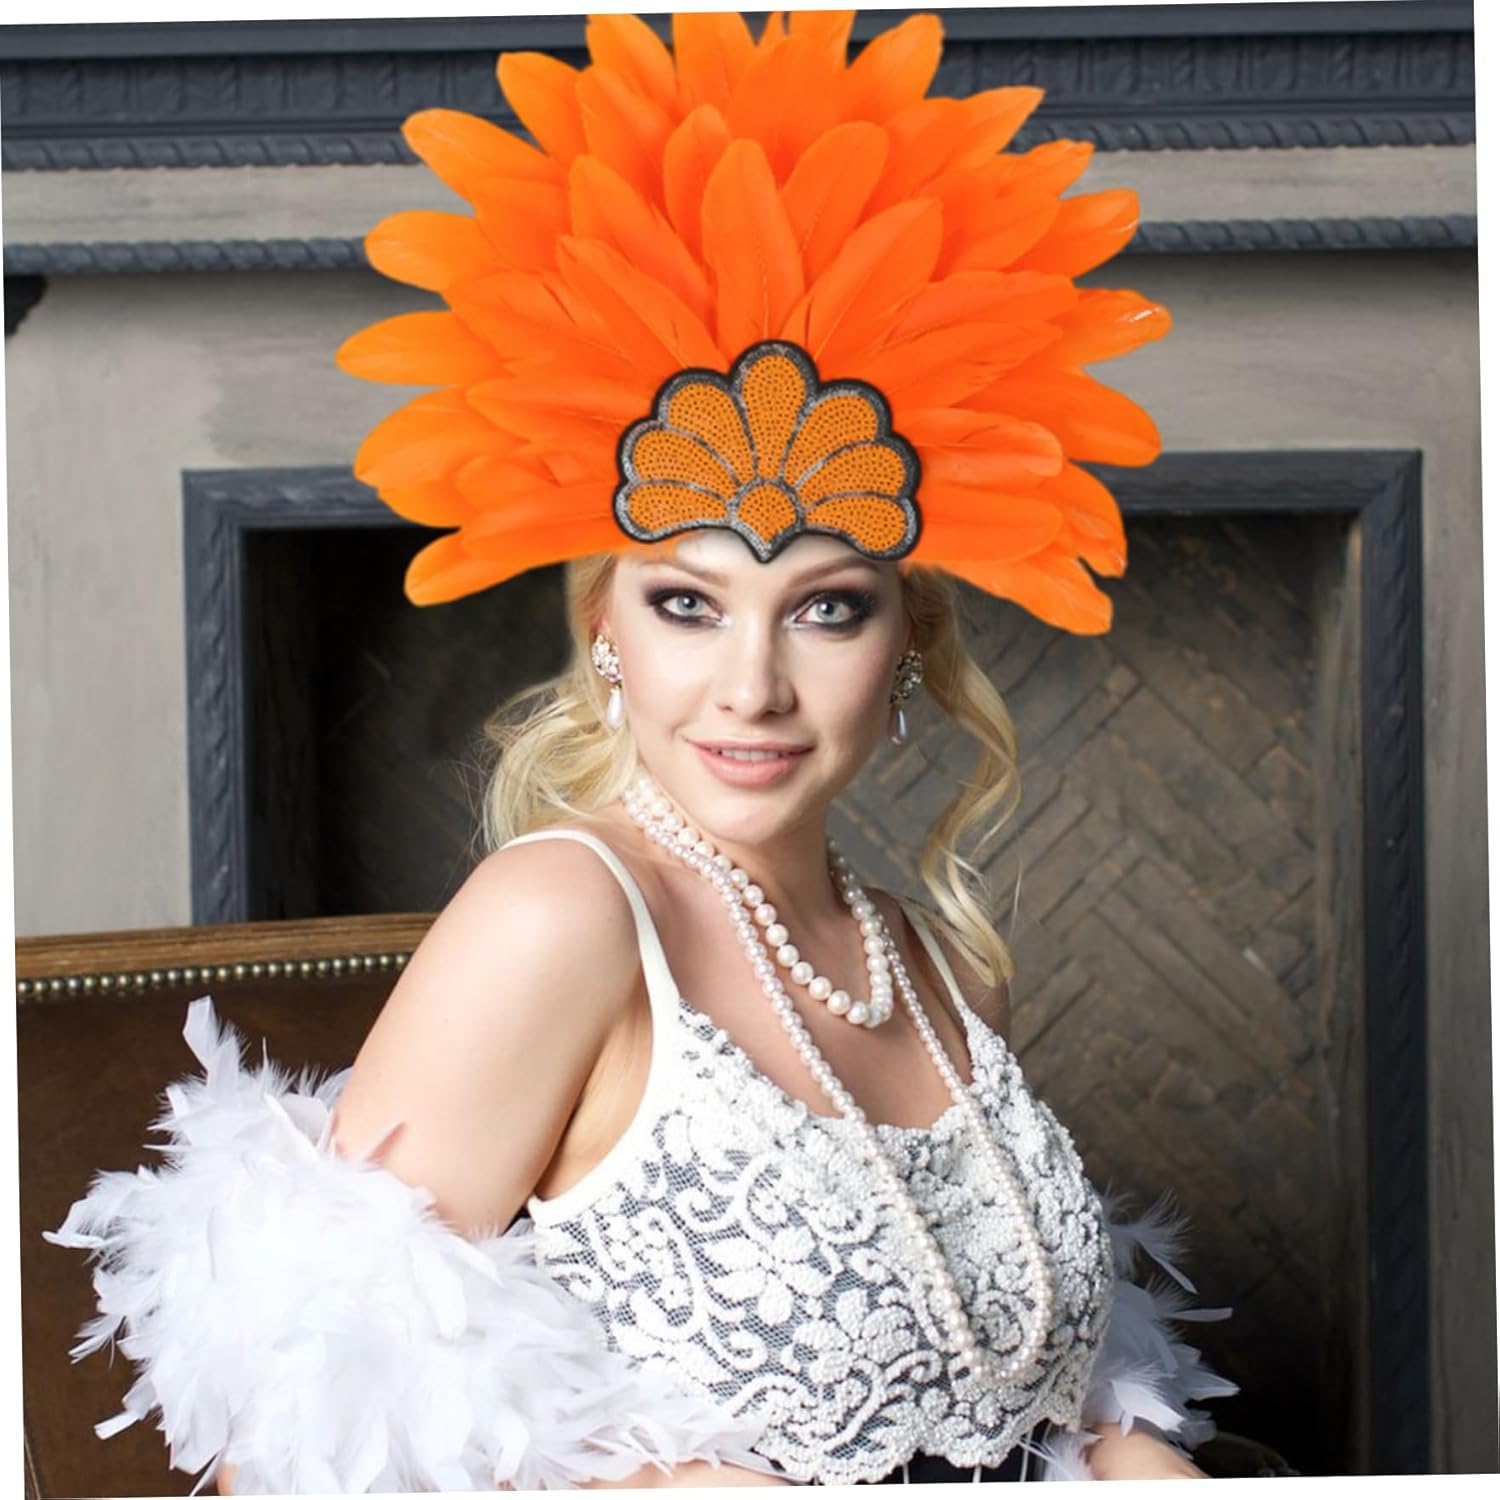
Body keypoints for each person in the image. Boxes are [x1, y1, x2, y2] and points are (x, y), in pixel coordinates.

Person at [47, 9, 1237, 1491]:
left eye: (827, 608)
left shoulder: (939, 972)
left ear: (908, 643)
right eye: (688, 603)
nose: (752, 686)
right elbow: (300, 1446)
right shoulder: (563, 919)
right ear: (605, 625)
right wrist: (667, 1484)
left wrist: (1132, 1451)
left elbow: (1018, 1384)